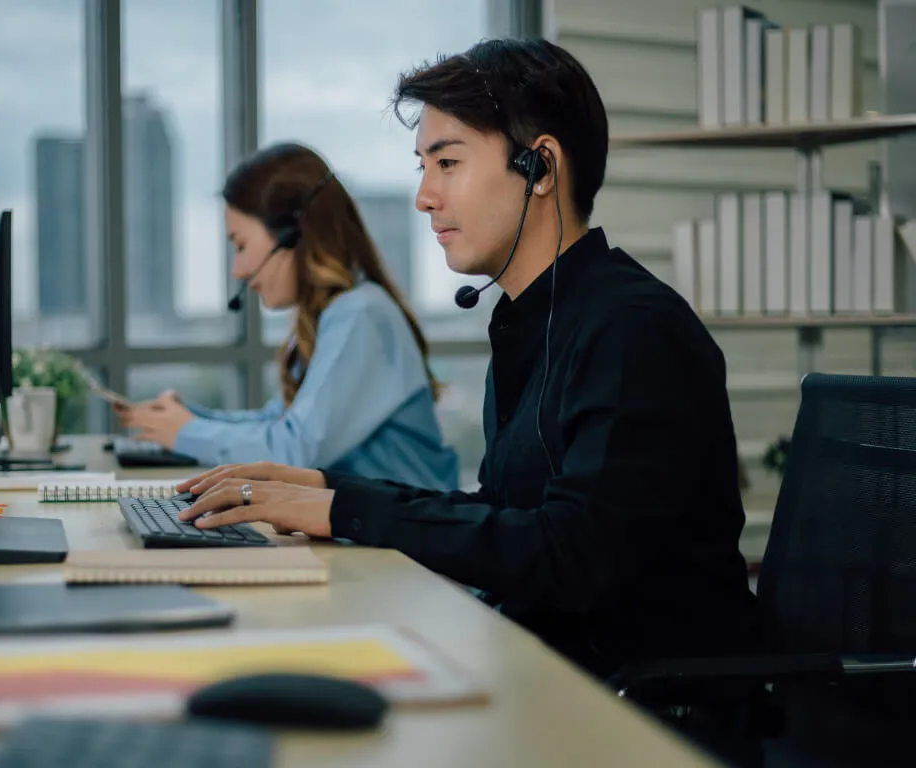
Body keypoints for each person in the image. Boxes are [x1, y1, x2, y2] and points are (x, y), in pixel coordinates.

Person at [175, 40, 761, 681]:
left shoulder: (633, 329)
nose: (425, 196)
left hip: (633, 710)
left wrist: (343, 512)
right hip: (538, 672)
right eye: (423, 166)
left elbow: (574, 557)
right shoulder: (532, 319)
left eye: (447, 162)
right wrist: (327, 489)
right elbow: (504, 512)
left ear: (540, 168)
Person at [118, 142, 459, 491]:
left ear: (292, 236)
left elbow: (293, 450)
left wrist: (185, 432)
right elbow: (277, 422)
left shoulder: (361, 315)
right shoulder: (328, 315)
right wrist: (190, 419)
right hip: (367, 534)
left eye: (241, 245)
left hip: (404, 543)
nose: (238, 270)